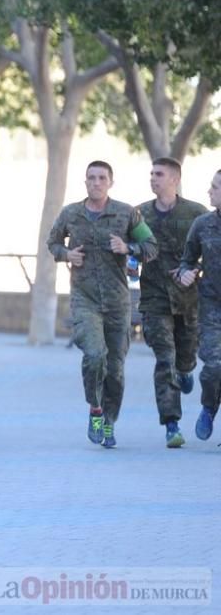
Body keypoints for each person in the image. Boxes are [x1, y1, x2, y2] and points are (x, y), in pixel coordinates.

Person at [46, 160, 157, 449]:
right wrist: (66, 255)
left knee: (115, 369)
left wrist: (128, 248)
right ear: (85, 182)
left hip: (118, 303)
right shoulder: (71, 213)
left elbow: (151, 247)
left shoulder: (127, 213)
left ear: (110, 182)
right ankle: (95, 410)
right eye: (91, 178)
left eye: (101, 178)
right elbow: (53, 243)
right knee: (95, 355)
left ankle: (109, 421)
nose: (96, 182)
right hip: (85, 300)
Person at [136, 157, 207, 448]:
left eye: (159, 174)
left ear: (174, 179)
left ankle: (186, 369)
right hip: (154, 300)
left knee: (185, 357)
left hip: (189, 301)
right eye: (151, 173)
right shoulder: (138, 214)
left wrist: (196, 270)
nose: (153, 178)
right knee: (164, 359)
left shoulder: (196, 214)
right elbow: (132, 248)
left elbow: (212, 253)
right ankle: (172, 425)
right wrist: (130, 260)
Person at [178, 169, 221, 443]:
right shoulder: (202, 224)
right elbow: (187, 259)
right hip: (212, 307)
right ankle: (208, 406)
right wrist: (186, 272)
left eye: (215, 187)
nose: (209, 192)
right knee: (214, 366)